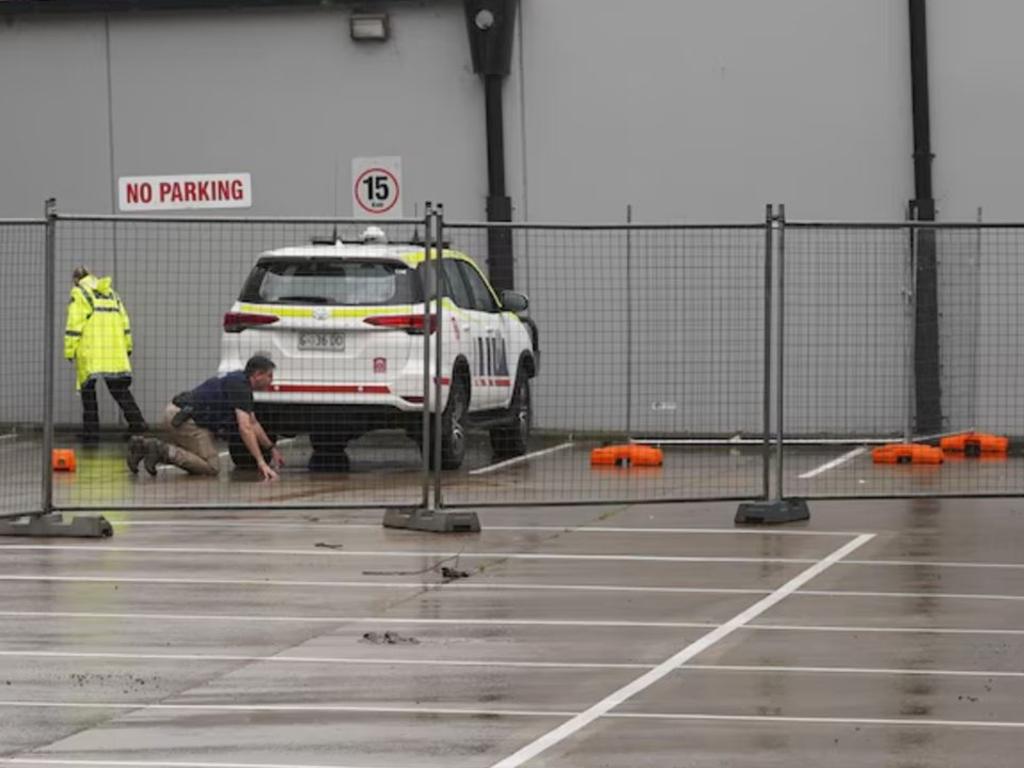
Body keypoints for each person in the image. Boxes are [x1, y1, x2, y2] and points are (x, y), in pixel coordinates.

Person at [128, 355, 283, 481]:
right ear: (257, 375)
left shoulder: (239, 381)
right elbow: (246, 428)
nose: (272, 381)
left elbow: (253, 423)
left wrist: (271, 449)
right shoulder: (241, 388)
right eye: (269, 376)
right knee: (212, 467)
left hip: (180, 414)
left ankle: (144, 447)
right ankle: (161, 449)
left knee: (200, 457)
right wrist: (261, 463)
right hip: (185, 421)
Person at [64, 266, 148, 444]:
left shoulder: (80, 293)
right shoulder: (111, 294)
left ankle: (91, 433)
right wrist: (127, 345)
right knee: (119, 389)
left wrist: (70, 349)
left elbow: (74, 323)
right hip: (114, 349)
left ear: (76, 279)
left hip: (91, 349)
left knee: (88, 390)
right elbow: (125, 320)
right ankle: (137, 423)